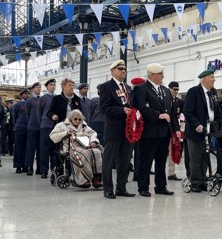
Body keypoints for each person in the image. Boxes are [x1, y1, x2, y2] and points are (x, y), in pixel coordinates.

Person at [133, 63, 180, 197]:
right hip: (149, 132)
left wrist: (175, 129)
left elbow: (171, 112)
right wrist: (158, 115)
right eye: (160, 74)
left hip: (164, 132)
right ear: (152, 75)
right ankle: (143, 187)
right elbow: (141, 108)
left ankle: (161, 186)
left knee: (161, 161)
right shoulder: (141, 89)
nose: (162, 76)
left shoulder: (165, 90)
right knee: (146, 161)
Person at [183, 69, 222, 193]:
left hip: (208, 130)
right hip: (196, 130)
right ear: (205, 78)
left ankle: (202, 180)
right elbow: (188, 111)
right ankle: (194, 181)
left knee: (205, 157)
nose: (214, 79)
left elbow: (217, 112)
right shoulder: (194, 91)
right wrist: (196, 124)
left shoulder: (212, 93)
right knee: (195, 158)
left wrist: (221, 125)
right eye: (212, 77)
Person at [99, 60, 135, 199]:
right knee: (108, 160)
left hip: (127, 130)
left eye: (125, 69)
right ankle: (108, 188)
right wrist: (122, 110)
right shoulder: (107, 87)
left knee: (124, 160)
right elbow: (105, 108)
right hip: (114, 129)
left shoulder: (127, 87)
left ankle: (121, 187)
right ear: (112, 71)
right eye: (120, 68)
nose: (123, 71)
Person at [49, 109, 102, 188]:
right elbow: (53, 136)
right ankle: (84, 179)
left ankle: (96, 178)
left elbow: (93, 133)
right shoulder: (61, 125)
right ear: (70, 119)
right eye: (75, 119)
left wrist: (93, 141)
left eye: (79, 119)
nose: (77, 121)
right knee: (85, 154)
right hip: (70, 146)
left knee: (97, 152)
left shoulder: (84, 125)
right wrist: (66, 133)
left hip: (85, 145)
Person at [39, 79, 57, 179]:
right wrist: (42, 122)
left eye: (54, 85)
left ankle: (54, 169)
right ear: (47, 87)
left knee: (54, 148)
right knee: (44, 148)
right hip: (45, 125)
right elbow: (40, 112)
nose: (53, 86)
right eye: (51, 84)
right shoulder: (43, 98)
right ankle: (44, 170)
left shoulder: (58, 98)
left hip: (55, 127)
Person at [167, 81, 184, 181]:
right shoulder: (165, 99)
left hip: (174, 129)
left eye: (178, 89)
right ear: (169, 88)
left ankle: (171, 173)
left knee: (172, 151)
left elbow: (180, 114)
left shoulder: (179, 101)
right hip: (165, 129)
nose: (176, 91)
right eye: (174, 89)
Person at [25, 82, 42, 176]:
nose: (39, 89)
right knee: (31, 148)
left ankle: (39, 167)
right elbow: (27, 113)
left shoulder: (43, 99)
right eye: (37, 87)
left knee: (40, 148)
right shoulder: (30, 100)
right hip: (32, 127)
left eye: (40, 87)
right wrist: (30, 123)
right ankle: (30, 167)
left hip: (41, 127)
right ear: (33, 89)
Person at [13, 89, 30, 173]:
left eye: (28, 93)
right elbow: (14, 117)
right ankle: (18, 166)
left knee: (27, 148)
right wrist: (15, 126)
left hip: (29, 128)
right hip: (20, 128)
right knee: (18, 147)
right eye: (25, 94)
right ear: (21, 95)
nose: (27, 95)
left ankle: (25, 166)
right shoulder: (18, 105)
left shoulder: (30, 104)